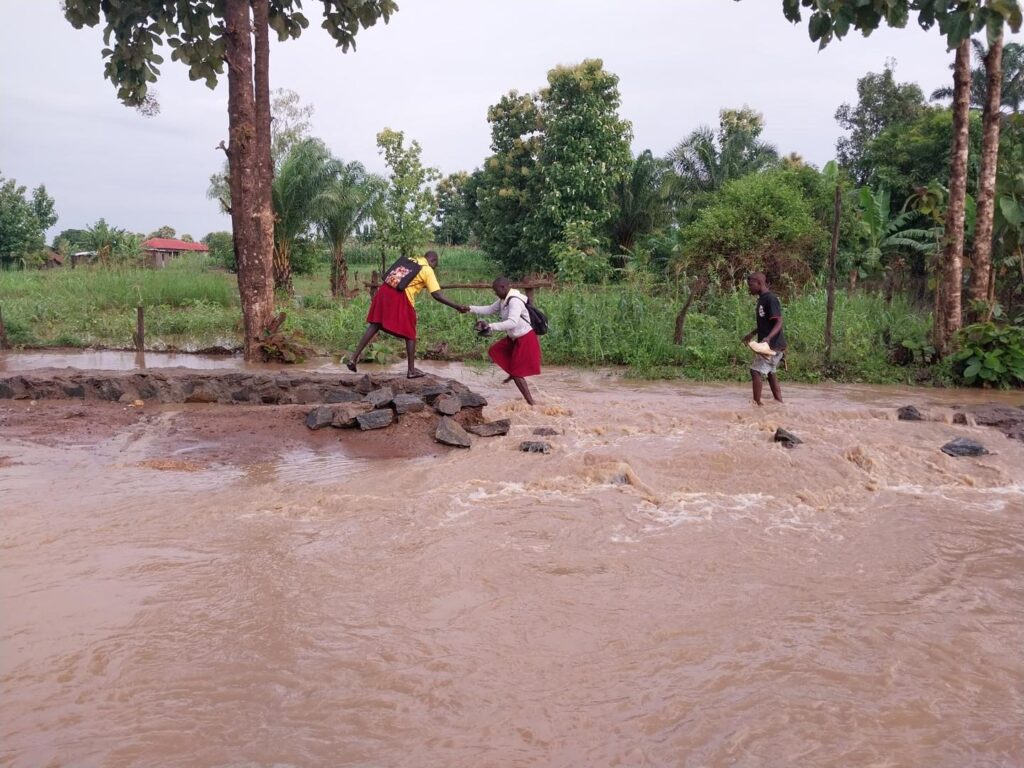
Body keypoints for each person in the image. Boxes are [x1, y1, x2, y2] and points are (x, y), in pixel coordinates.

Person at [347, 250, 468, 378]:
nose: (434, 268)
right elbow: (436, 294)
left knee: (375, 324)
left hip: (384, 290)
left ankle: (353, 358)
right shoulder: (427, 270)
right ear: (433, 261)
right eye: (435, 265)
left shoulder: (410, 260)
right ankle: (411, 371)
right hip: (400, 296)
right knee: (410, 333)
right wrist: (456, 306)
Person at [470, 277, 542, 406]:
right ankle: (513, 373)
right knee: (495, 350)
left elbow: (512, 322)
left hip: (525, 337)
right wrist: (469, 308)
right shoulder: (504, 300)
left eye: (496, 290)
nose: (495, 293)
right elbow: (488, 309)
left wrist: (491, 326)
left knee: (517, 373)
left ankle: (531, 402)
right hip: (513, 338)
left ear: (503, 287)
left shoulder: (514, 301)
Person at [742, 272, 786, 406]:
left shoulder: (770, 299)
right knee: (771, 373)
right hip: (770, 345)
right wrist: (751, 334)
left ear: (759, 283)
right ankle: (779, 403)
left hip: (772, 346)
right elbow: (765, 323)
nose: (749, 288)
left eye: (751, 285)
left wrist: (768, 338)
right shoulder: (761, 299)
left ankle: (757, 405)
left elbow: (779, 322)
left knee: (755, 371)